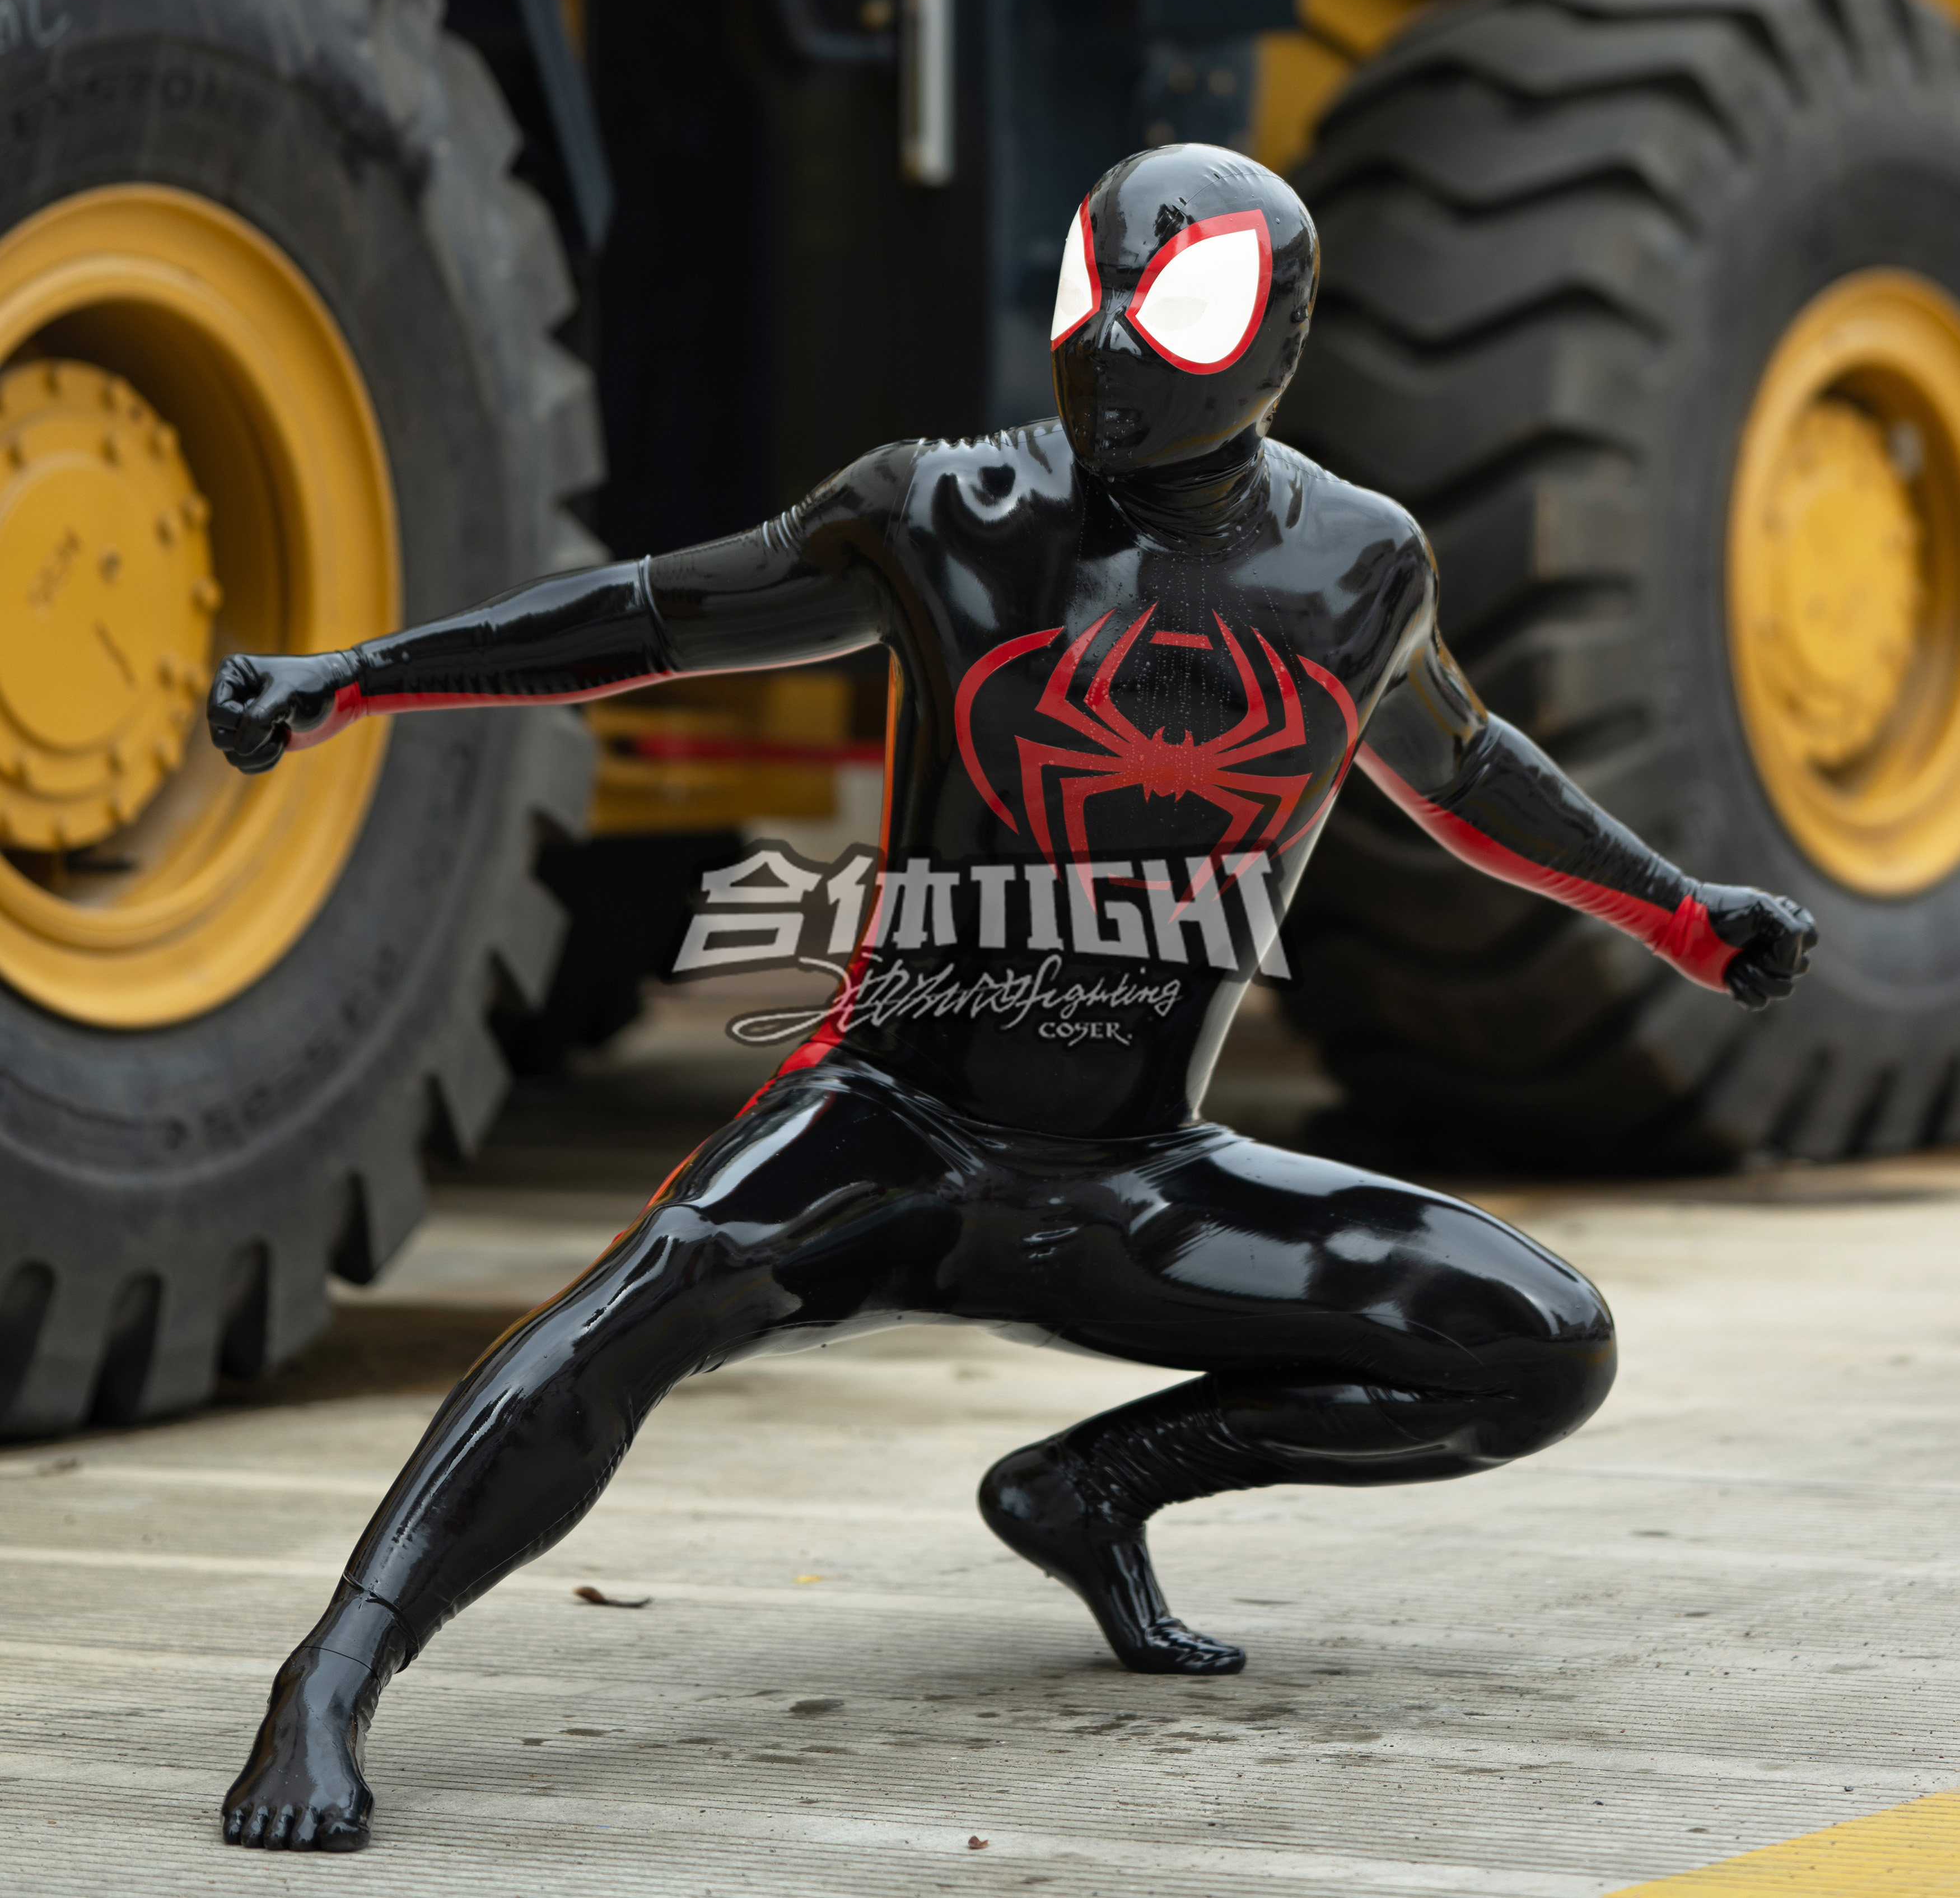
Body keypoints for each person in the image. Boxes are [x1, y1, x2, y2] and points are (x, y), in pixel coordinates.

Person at [208, 144, 1814, 1852]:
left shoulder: (1359, 567)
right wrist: (356, 680)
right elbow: (651, 615)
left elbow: (1468, 769)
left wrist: (1680, 915)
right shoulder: (940, 511)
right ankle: (331, 1673)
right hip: (881, 1137)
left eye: (1178, 302)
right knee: (632, 1309)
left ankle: (1089, 1485)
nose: (1110, 340)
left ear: (1276, 334)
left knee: (1538, 1346)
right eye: (1087, 287)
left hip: (1133, 1184)